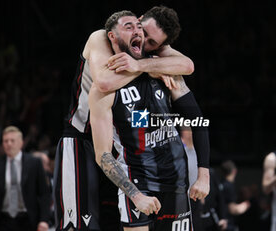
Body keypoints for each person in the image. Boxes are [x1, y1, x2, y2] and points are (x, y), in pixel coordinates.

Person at [53, 6, 197, 231]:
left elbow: (187, 66)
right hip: (83, 138)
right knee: (79, 224)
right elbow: (104, 82)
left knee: (114, 220)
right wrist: (153, 67)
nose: (147, 45)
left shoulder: (145, 47)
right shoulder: (100, 38)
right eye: (134, 28)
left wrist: (141, 64)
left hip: (119, 142)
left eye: (152, 44)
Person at [89, 10, 210, 231]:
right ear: (113, 36)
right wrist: (135, 196)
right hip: (138, 182)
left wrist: (204, 175)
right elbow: (102, 155)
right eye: (134, 28)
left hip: (176, 180)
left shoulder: (165, 70)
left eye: (148, 38)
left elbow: (198, 120)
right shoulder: (103, 79)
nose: (140, 35)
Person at [0, 126, 50, 231]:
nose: (9, 144)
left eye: (12, 141)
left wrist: (44, 220)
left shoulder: (34, 163)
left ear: (21, 143)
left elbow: (44, 194)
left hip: (28, 219)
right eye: (5, 141)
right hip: (3, 219)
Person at [219, 161, 250, 231]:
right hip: (228, 225)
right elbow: (233, 209)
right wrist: (246, 204)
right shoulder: (229, 186)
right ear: (234, 171)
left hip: (220, 223)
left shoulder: (219, 184)